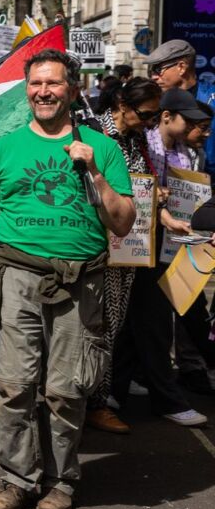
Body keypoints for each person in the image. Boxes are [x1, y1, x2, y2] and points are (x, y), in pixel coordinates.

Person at [0, 49, 135, 509]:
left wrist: (95, 174)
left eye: (53, 84)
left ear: (73, 91)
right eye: (36, 84)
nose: (43, 92)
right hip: (16, 276)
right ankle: (18, 479)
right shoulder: (3, 148)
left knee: (67, 388)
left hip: (81, 282)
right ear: (27, 90)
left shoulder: (103, 149)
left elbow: (122, 223)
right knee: (14, 384)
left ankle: (61, 480)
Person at [111, 86, 211, 427]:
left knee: (149, 318)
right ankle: (156, 395)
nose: (200, 130)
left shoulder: (187, 153)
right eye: (148, 116)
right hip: (135, 241)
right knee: (147, 321)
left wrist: (170, 213)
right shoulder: (141, 141)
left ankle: (117, 390)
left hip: (170, 243)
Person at [84, 77, 162, 434]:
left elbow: (141, 184)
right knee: (82, 327)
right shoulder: (91, 133)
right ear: (121, 104)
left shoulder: (138, 139)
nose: (150, 122)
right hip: (92, 246)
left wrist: (153, 198)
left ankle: (97, 402)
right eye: (146, 114)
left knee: (109, 329)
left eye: (154, 116)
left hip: (126, 250)